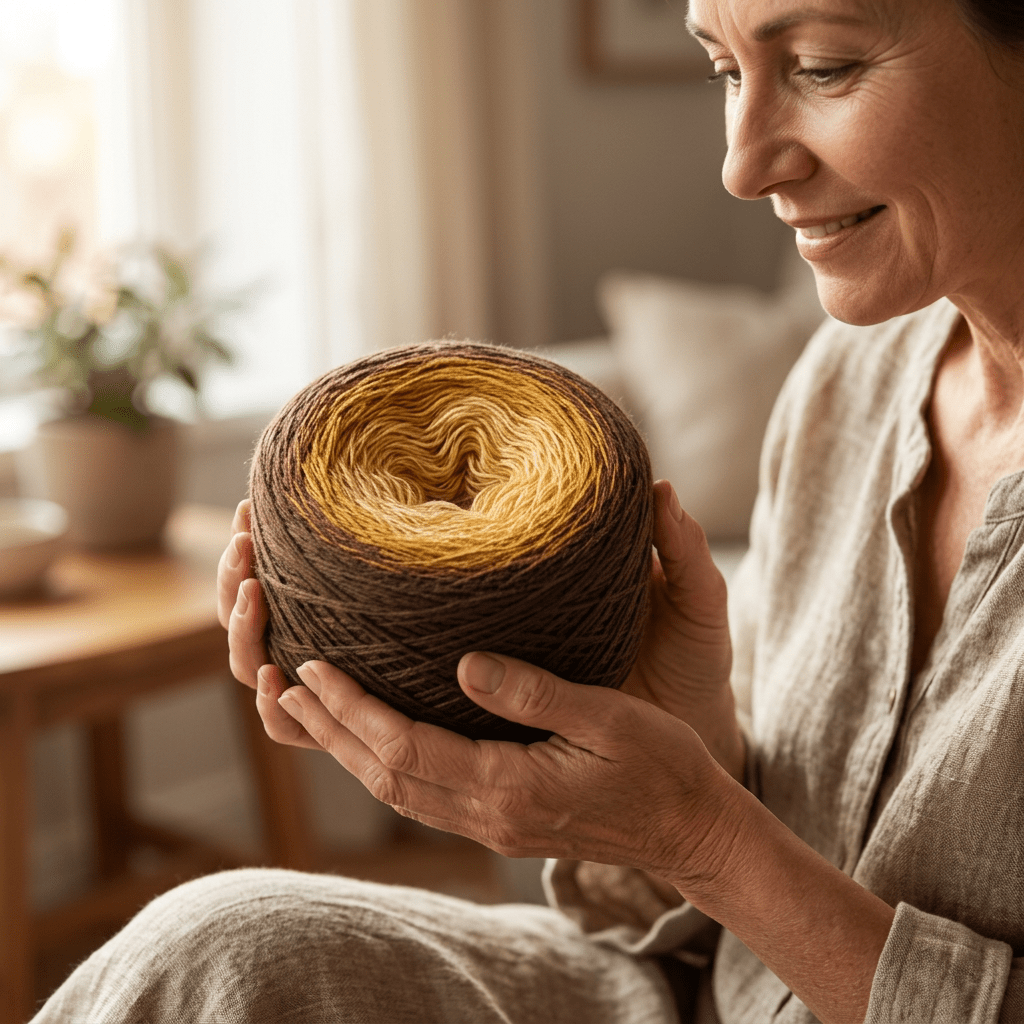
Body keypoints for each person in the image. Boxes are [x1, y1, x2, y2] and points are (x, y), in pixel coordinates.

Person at [32, 0, 1024, 1021]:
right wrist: (683, 736)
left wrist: (699, 835)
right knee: (218, 948)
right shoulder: (847, 382)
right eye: (726, 71)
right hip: (703, 993)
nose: (741, 165)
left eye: (821, 66)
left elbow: (723, 848)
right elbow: (787, 839)